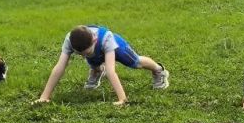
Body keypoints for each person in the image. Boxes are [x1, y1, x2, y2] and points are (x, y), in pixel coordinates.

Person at [36, 25, 169, 106]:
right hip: (97, 50)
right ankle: (97, 71)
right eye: (80, 54)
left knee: (136, 62)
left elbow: (111, 71)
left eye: (85, 53)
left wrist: (122, 99)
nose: (83, 56)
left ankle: (159, 70)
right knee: (93, 59)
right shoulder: (70, 40)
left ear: (94, 40)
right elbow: (59, 67)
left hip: (116, 47)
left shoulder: (106, 38)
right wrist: (44, 97)